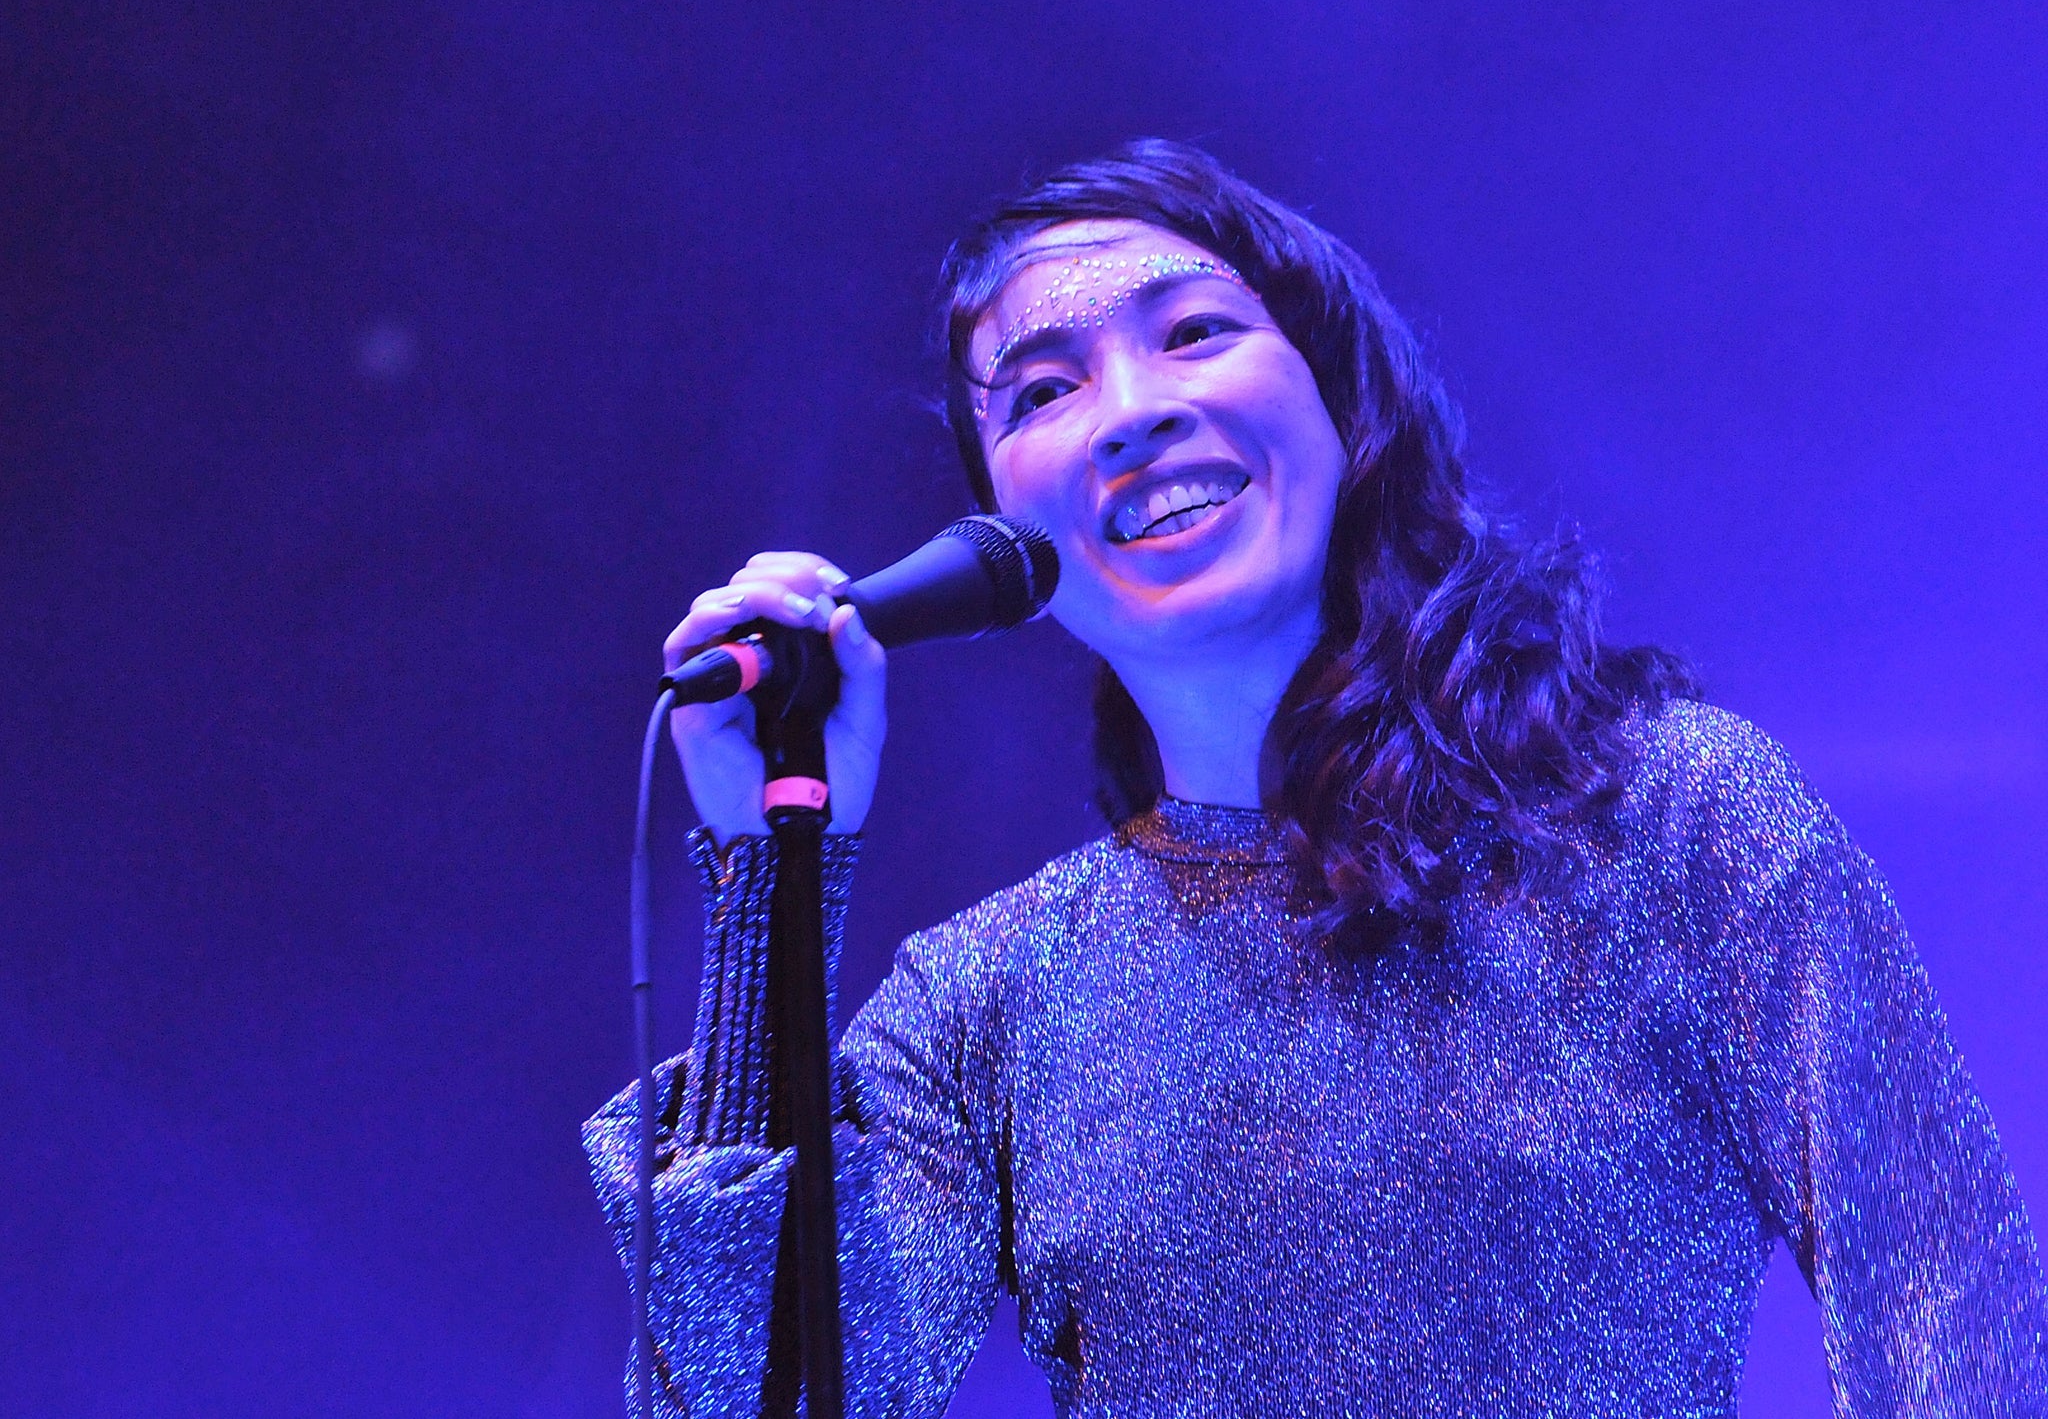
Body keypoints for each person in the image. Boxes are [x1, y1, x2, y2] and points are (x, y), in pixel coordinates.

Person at [584, 140, 2047, 1416]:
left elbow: (1962, 1323)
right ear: (1004, 543)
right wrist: (770, 875)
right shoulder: (993, 999)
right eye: (1041, 390)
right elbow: (751, 1397)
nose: (1128, 410)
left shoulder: (1663, 822)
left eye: (1194, 331)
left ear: (1341, 400)